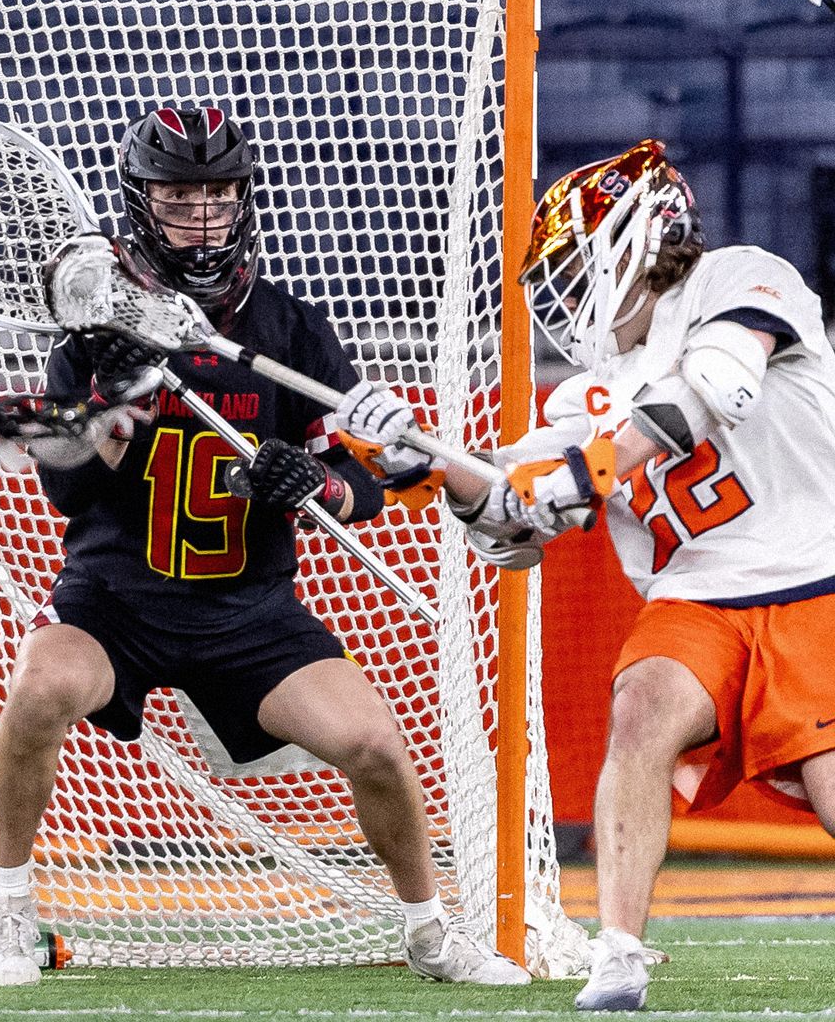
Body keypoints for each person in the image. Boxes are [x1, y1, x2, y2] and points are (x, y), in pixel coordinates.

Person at [0, 106, 528, 988]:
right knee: (41, 687)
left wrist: (317, 487)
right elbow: (67, 485)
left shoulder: (287, 329)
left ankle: (429, 931)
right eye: (180, 193)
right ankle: (7, 909)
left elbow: (363, 473)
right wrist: (117, 405)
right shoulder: (95, 337)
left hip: (250, 610)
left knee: (375, 745)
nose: (202, 212)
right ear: (142, 201)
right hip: (117, 601)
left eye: (219, 193)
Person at [336, 139, 835, 1011]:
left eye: (574, 265)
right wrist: (414, 456)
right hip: (697, 599)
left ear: (637, 240)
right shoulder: (582, 395)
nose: (566, 296)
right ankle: (619, 956)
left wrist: (591, 466)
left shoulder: (739, 277)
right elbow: (509, 519)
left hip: (817, 571)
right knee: (640, 705)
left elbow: (717, 383)